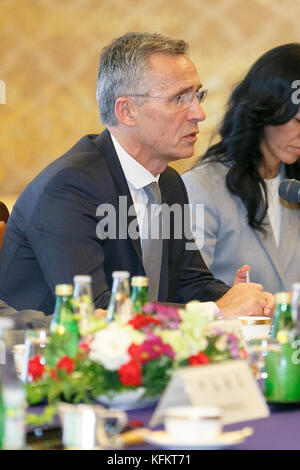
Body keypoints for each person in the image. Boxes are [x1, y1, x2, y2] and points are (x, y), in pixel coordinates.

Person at [0, 32, 274, 318]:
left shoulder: (168, 181)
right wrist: (216, 311)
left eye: (197, 95)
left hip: (135, 356)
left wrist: (242, 299)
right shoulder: (69, 187)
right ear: (127, 111)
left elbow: (190, 283)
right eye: (180, 98)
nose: (199, 113)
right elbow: (92, 311)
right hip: (40, 353)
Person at [182, 43, 300, 294]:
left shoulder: (293, 184)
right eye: (298, 120)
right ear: (266, 108)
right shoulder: (201, 188)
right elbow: (189, 293)